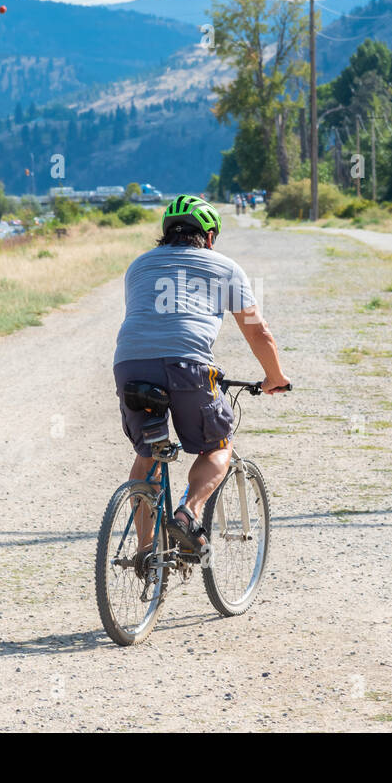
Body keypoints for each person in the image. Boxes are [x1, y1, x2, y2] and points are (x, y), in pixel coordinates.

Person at [113, 195, 289, 565]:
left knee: (148, 455)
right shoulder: (225, 267)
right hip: (188, 367)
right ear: (209, 237)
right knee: (216, 447)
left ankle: (147, 557)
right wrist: (275, 377)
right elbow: (259, 334)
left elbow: (150, 321)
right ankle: (187, 514)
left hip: (131, 367)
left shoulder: (138, 266)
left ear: (167, 234)